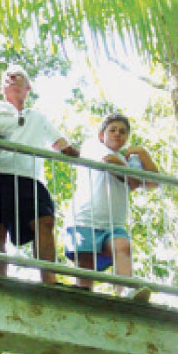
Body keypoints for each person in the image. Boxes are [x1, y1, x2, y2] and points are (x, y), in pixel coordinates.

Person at [0, 70, 76, 278]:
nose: (13, 78)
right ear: (1, 87)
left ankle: (49, 280)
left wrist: (79, 152)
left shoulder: (38, 117)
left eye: (18, 76)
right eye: (8, 76)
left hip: (30, 179)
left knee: (45, 221)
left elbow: (62, 144)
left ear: (28, 88)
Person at [65, 113, 160, 292]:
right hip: (86, 218)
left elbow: (153, 183)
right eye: (113, 130)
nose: (117, 134)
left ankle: (126, 293)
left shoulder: (128, 160)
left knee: (122, 247)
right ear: (102, 135)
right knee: (86, 266)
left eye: (123, 132)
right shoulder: (92, 145)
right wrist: (133, 178)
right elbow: (109, 162)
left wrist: (141, 152)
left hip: (113, 223)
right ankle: (85, 301)